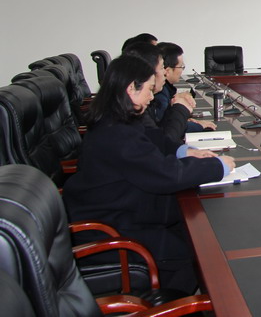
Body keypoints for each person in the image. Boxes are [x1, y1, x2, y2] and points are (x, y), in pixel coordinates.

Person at [62, 56, 234, 293]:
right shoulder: (117, 134)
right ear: (131, 88)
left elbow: (155, 140)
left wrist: (186, 152)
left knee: (193, 229)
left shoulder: (117, 118)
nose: (152, 97)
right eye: (149, 89)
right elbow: (165, 175)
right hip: (110, 227)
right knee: (197, 252)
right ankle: (174, 303)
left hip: (121, 208)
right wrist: (218, 166)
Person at [123, 41, 214, 140]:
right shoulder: (136, 113)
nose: (165, 73)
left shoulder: (137, 108)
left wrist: (176, 111)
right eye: (162, 68)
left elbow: (160, 129)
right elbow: (165, 140)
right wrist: (180, 109)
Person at [155, 41, 213, 134]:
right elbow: (166, 129)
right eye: (181, 67)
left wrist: (184, 120)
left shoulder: (165, 89)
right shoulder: (160, 94)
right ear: (168, 71)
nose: (182, 70)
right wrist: (198, 126)